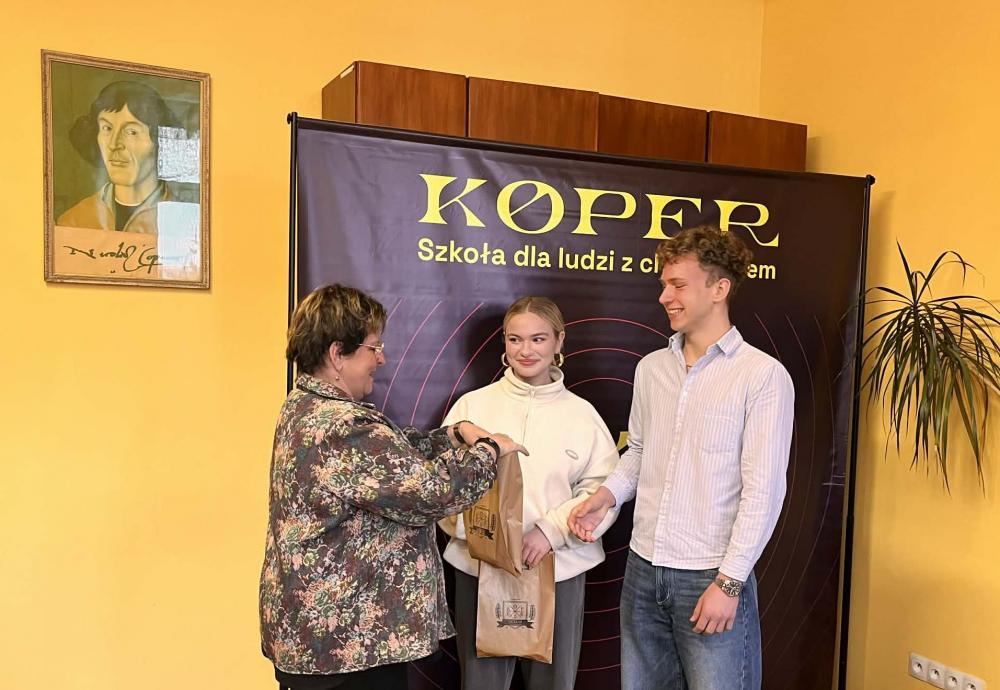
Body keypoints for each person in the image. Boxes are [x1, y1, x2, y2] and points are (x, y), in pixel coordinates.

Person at [259, 284, 527, 690]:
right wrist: (488, 451)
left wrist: (453, 434)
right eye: (373, 347)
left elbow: (391, 456)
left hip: (319, 641)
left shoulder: (305, 405)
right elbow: (433, 493)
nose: (381, 359)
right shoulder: (342, 426)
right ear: (337, 353)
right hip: (348, 648)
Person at [568, 226, 795, 690]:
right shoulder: (651, 369)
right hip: (643, 569)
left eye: (677, 285)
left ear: (719, 288)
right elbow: (641, 451)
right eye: (663, 284)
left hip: (710, 576)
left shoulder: (762, 376)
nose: (664, 297)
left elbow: (764, 492)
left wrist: (729, 583)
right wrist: (606, 496)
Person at [440, 296, 620, 690]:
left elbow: (601, 491)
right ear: (504, 343)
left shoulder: (583, 416)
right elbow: (443, 486)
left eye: (538, 339)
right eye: (515, 339)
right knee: (481, 684)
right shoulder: (471, 408)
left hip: (560, 570)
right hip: (479, 569)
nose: (526, 350)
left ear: (559, 341)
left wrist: (551, 532)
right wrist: (486, 538)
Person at [58, 80, 190, 234]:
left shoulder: (187, 224)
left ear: (160, 142)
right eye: (107, 128)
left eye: (131, 132)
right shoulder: (73, 222)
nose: (114, 144)